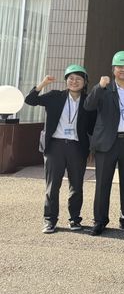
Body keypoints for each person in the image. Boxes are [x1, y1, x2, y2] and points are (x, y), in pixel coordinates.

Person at [25, 65, 96, 234]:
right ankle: (50, 220)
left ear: (85, 82)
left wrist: (93, 148)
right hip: (55, 146)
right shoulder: (55, 96)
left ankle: (75, 219)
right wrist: (43, 84)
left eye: (78, 79)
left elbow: (93, 127)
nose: (74, 81)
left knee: (76, 185)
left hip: (77, 147)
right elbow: (30, 100)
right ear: (66, 81)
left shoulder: (88, 101)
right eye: (71, 78)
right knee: (52, 186)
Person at [83, 50, 124, 236]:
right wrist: (98, 86)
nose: (123, 70)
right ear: (113, 70)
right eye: (119, 67)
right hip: (107, 143)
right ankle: (100, 220)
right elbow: (88, 105)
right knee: (103, 184)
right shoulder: (105, 89)